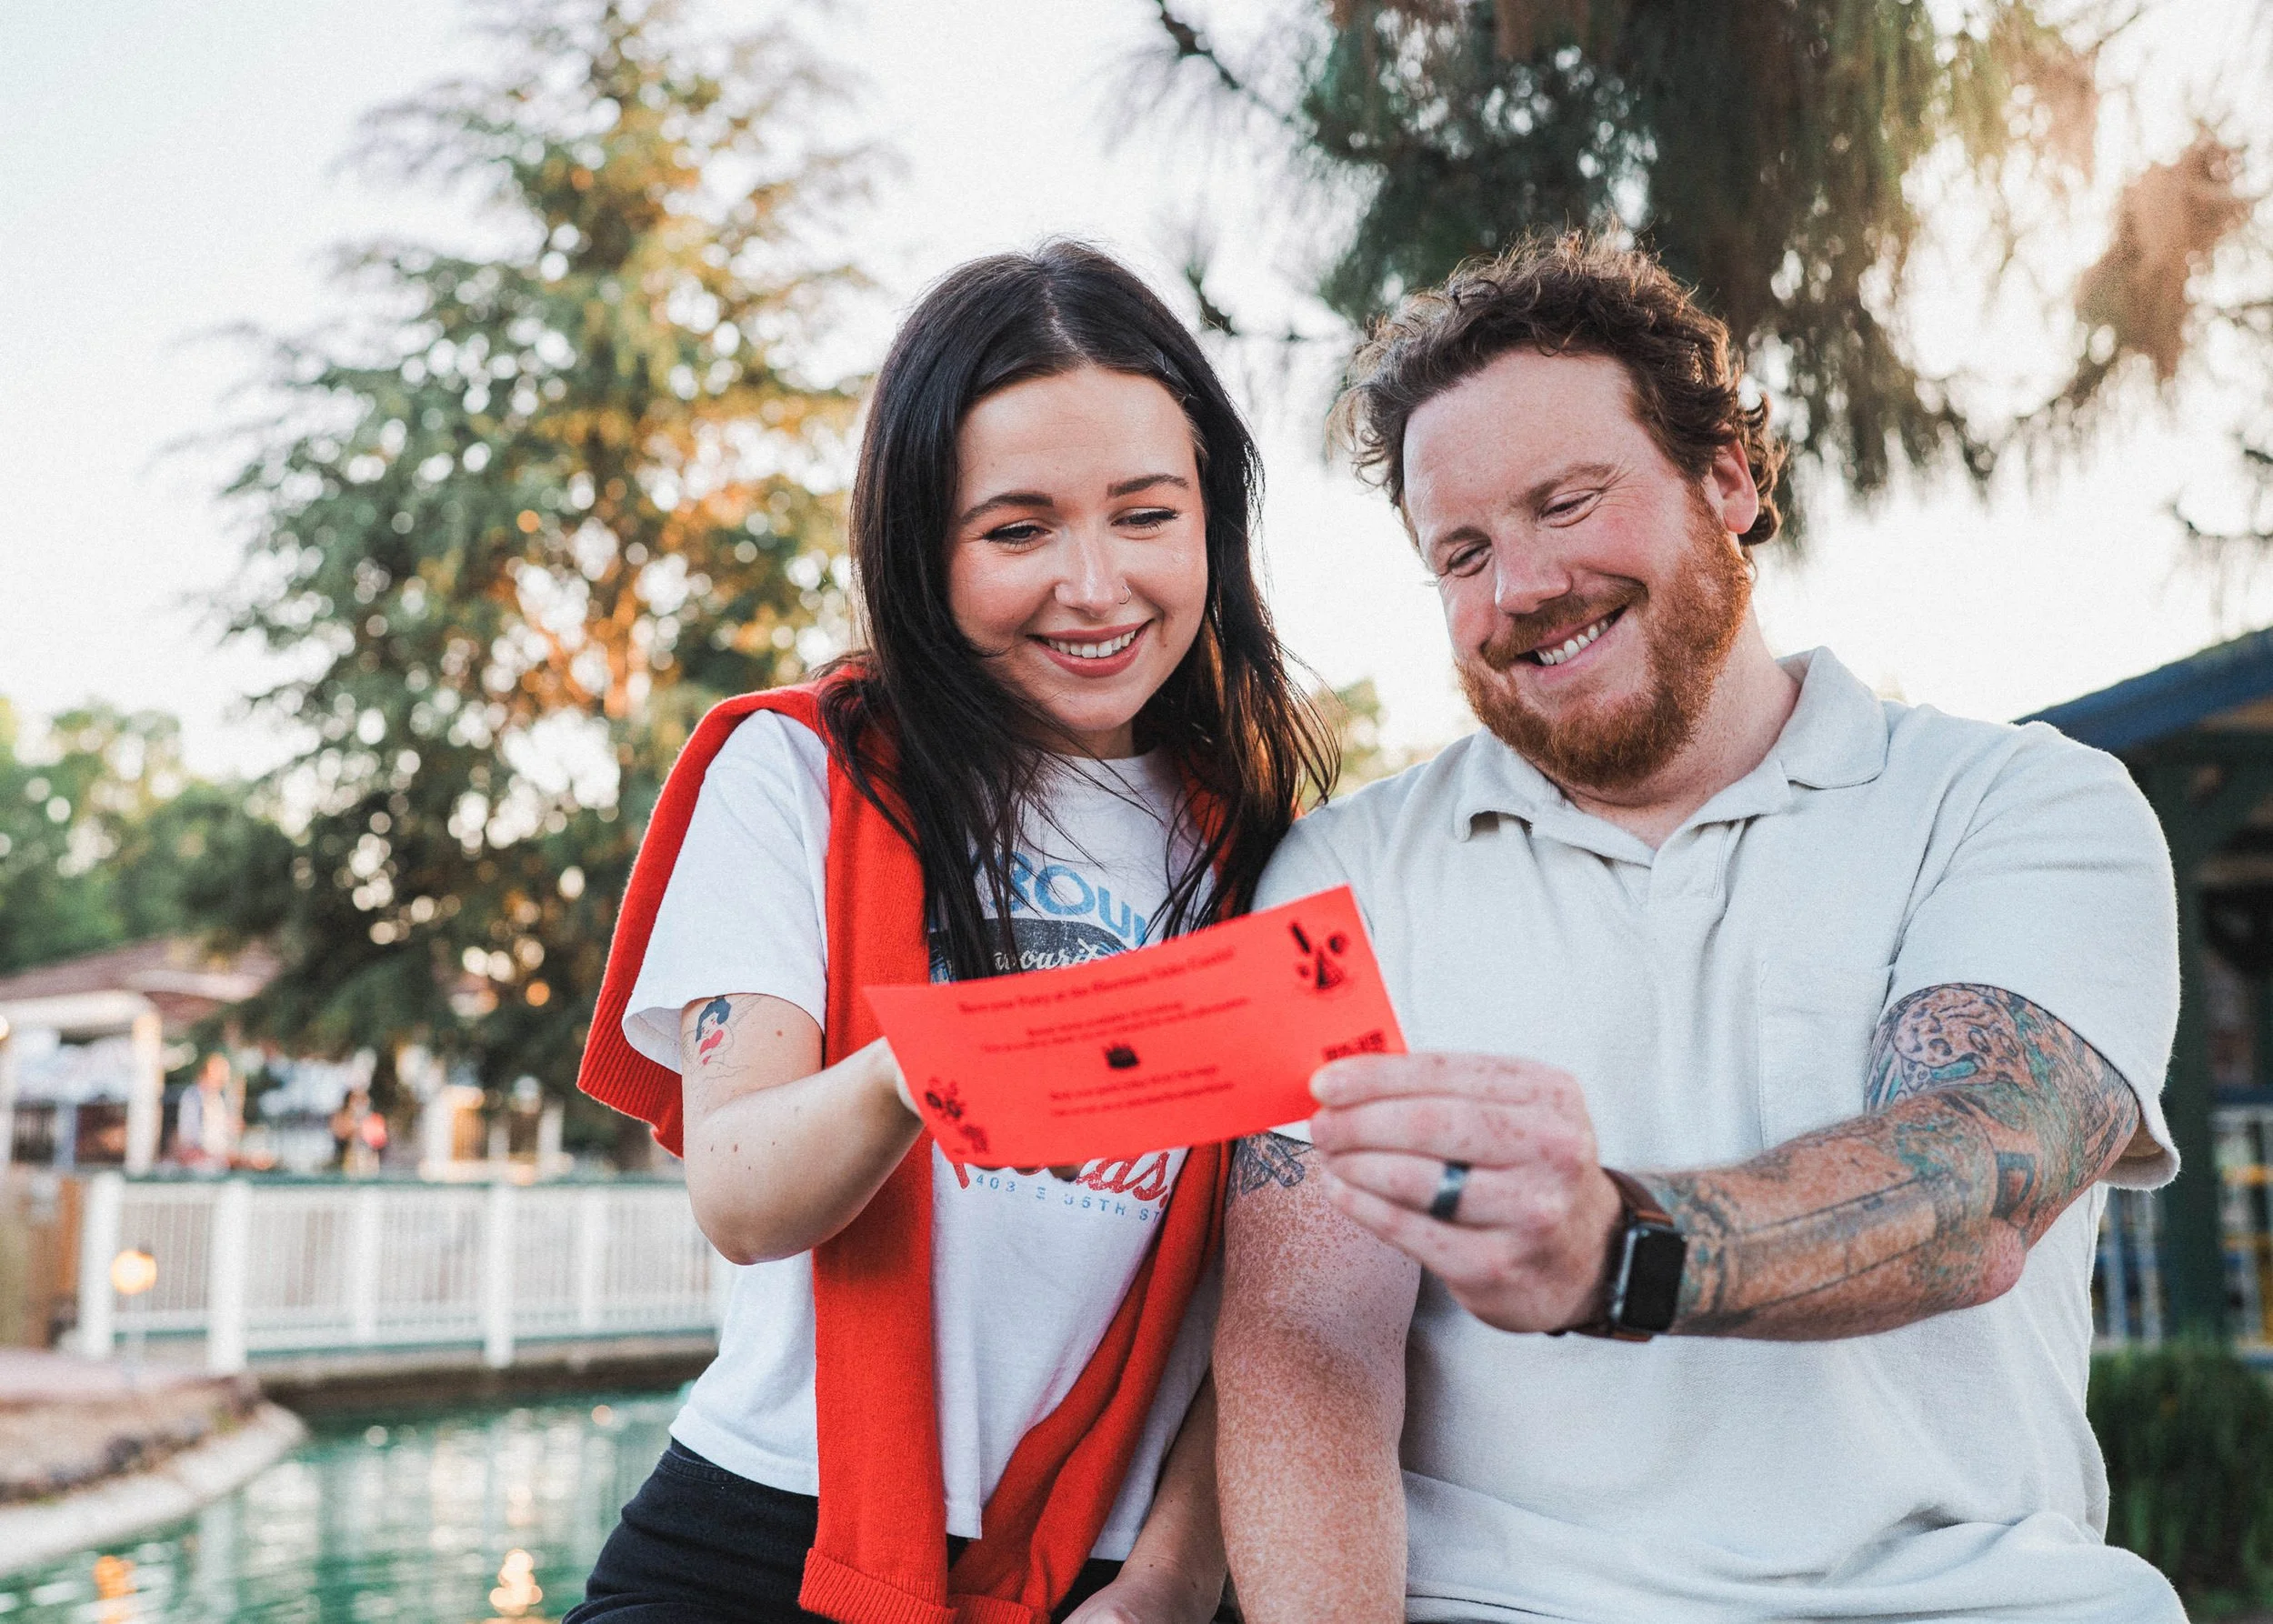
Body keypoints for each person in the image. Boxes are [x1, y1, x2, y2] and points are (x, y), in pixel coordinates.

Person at [1214, 235, 2183, 1623]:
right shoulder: (1344, 872)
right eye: (1465, 552)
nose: (1524, 586)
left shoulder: (2020, 803)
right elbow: (1307, 1342)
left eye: (1569, 501)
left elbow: (1974, 1181)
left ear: (1727, 472)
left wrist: (1619, 1244)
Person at [573, 242, 1333, 1624]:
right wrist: (943, 1063)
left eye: (1147, 516)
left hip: (1104, 1569)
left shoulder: (1271, 845)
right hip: (770, 1533)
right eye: (1018, 529)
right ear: (923, 548)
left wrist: (1168, 1580)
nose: (1095, 586)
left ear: (1214, 524)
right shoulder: (799, 774)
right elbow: (740, 1192)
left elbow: (1279, 1296)